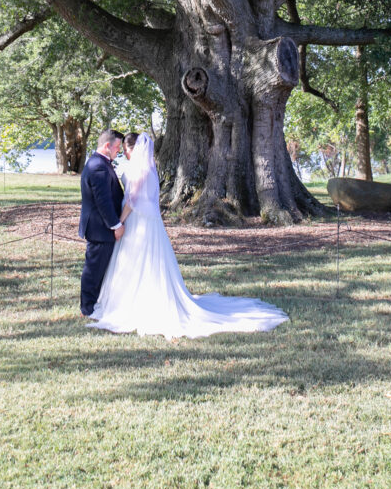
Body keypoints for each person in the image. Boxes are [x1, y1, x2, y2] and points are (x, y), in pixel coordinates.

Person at [87, 132, 288, 338]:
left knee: (140, 260)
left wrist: (119, 221)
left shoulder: (141, 169)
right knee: (138, 261)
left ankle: (137, 303)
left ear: (132, 149)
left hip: (137, 221)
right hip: (145, 221)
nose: (123, 153)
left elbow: (132, 200)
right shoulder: (146, 168)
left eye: (125, 149)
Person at [78, 128, 125, 318]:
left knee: (99, 267)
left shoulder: (101, 163)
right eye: (117, 147)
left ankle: (92, 303)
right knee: (94, 268)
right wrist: (115, 225)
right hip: (100, 227)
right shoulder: (98, 166)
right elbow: (102, 201)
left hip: (100, 226)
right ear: (107, 146)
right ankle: (87, 307)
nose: (119, 151)